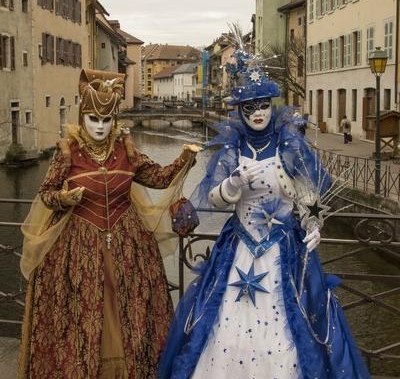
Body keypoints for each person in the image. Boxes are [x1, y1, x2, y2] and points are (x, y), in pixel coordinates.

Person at [158, 45, 370, 379]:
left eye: (263, 105)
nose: (258, 113)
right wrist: (234, 182)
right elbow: (214, 199)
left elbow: (308, 195)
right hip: (239, 248)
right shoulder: (233, 148)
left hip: (285, 250)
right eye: (250, 107)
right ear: (240, 110)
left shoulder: (290, 143)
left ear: (272, 105)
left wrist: (313, 224)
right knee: (222, 321)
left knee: (293, 325)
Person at [18, 69, 200, 379]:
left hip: (128, 244)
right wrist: (65, 198)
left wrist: (184, 158)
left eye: (106, 120)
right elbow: (46, 193)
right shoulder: (67, 153)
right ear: (83, 117)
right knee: (84, 311)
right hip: (77, 245)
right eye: (94, 120)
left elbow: (158, 177)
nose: (100, 127)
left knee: (130, 307)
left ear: (114, 120)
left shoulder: (125, 152)